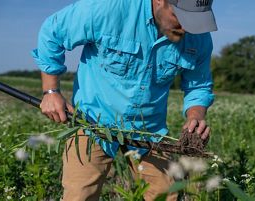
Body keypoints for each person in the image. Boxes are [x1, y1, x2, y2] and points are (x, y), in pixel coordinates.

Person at [32, 0, 217, 200]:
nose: (186, 28)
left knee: (167, 194)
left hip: (149, 130)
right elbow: (53, 31)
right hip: (92, 121)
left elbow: (198, 85)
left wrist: (195, 115)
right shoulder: (107, 8)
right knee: (80, 194)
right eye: (180, 17)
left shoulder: (198, 38)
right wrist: (51, 91)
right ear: (159, 2)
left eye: (195, 20)